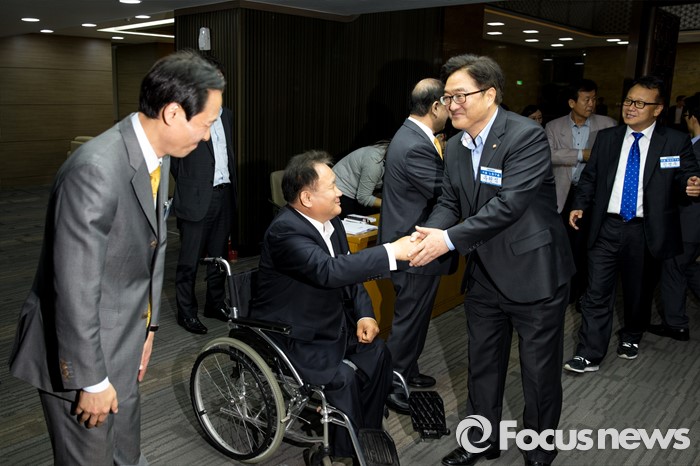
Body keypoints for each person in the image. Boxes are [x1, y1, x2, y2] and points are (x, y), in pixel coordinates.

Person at [8, 50, 225, 465]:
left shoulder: (156, 158)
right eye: (207, 123)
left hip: (125, 339)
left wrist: (149, 328)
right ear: (173, 113)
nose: (206, 135)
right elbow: (73, 285)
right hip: (82, 356)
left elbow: (153, 249)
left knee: (126, 454)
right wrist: (91, 380)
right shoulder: (95, 170)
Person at [407, 54, 574, 466]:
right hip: (484, 274)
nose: (452, 105)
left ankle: (540, 448)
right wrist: (428, 234)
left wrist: (447, 240)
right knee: (482, 364)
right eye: (447, 97)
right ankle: (481, 440)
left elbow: (509, 205)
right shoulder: (455, 145)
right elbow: (450, 201)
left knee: (538, 373)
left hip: (534, 273)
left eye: (460, 95)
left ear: (490, 94)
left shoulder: (525, 136)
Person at [249, 150, 414, 464]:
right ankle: (343, 452)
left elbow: (348, 272)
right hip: (293, 333)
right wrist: (390, 251)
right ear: (307, 198)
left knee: (378, 354)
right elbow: (329, 271)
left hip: (330, 321)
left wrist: (364, 313)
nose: (340, 192)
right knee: (343, 378)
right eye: (333, 186)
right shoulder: (285, 231)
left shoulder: (332, 223)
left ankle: (366, 431)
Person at [564, 77, 700, 374]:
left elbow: (685, 175)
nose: (630, 107)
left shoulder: (674, 141)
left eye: (640, 103)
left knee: (637, 291)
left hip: (644, 230)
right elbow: (590, 178)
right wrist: (579, 204)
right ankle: (589, 353)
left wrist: (691, 184)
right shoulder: (608, 138)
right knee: (596, 291)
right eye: (628, 101)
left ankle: (632, 334)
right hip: (606, 227)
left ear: (657, 109)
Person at [379, 77, 454, 415]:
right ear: (436, 106)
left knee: (417, 318)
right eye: (449, 102)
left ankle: (406, 371)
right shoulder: (414, 144)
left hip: (416, 243)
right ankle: (391, 384)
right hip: (413, 247)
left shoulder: (414, 136)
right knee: (408, 322)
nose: (452, 109)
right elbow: (445, 193)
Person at [171, 56, 236, 335]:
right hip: (196, 198)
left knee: (219, 258)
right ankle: (186, 313)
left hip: (224, 194)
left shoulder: (227, 115)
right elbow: (175, 161)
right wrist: (192, 187)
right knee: (189, 261)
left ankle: (215, 304)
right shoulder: (183, 116)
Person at [545, 79, 616, 306]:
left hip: (592, 196)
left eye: (594, 99)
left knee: (587, 245)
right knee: (563, 245)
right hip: (564, 194)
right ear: (572, 102)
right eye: (586, 99)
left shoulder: (607, 124)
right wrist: (580, 154)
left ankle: (583, 291)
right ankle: (564, 290)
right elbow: (548, 155)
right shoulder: (554, 126)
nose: (591, 104)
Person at [651, 93, 700, 341]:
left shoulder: (694, 149)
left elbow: (675, 175)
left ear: (692, 117)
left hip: (688, 224)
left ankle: (676, 325)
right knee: (689, 267)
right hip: (693, 227)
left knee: (672, 269)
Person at [333, 140, 389, 217]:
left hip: (357, 194)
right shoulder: (374, 161)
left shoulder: (389, 156)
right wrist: (392, 205)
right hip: (343, 192)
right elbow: (363, 197)